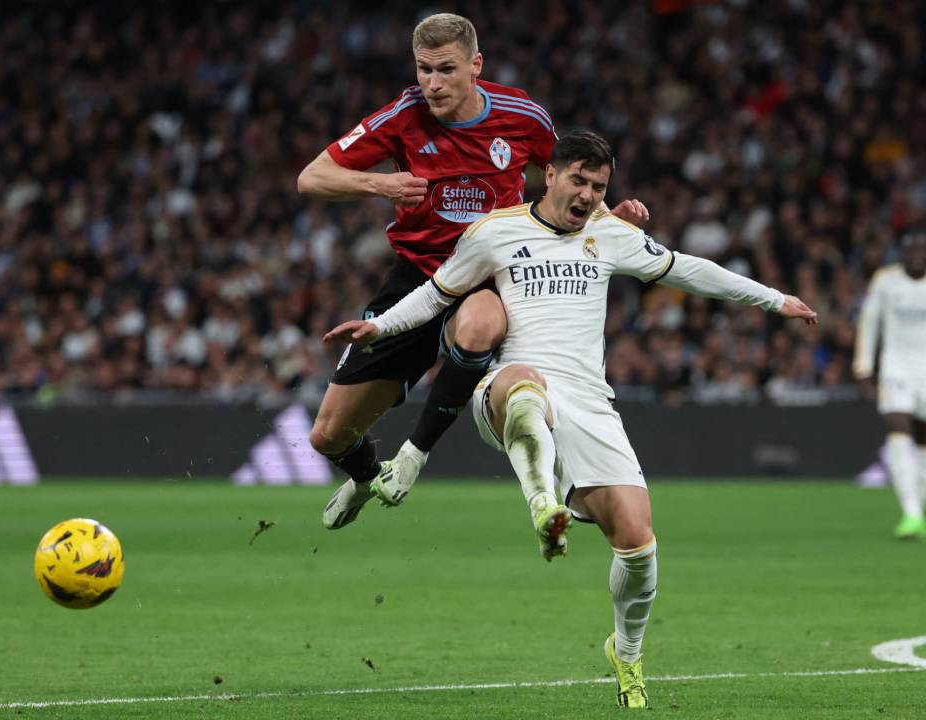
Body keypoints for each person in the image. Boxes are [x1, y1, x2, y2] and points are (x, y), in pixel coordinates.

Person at [324, 130, 818, 708]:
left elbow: (690, 270)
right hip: (508, 390)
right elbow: (436, 295)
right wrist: (379, 327)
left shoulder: (610, 235)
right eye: (578, 180)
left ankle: (627, 654)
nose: (586, 194)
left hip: (589, 403)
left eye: (599, 186)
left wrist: (773, 299)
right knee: (525, 387)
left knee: (639, 549)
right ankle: (542, 507)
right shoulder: (496, 231)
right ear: (549, 175)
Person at [297, 12, 649, 529]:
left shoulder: (522, 116)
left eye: (446, 70)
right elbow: (312, 177)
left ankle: (417, 457)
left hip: (490, 277)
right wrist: (383, 186)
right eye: (423, 70)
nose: (433, 84)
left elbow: (563, 182)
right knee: (327, 436)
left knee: (486, 328)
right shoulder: (402, 115)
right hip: (416, 277)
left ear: (475, 65)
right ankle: (367, 478)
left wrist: (604, 217)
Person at [853, 229, 926, 540]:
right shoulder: (885, 280)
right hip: (895, 367)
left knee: (922, 441)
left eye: (920, 250)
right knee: (897, 428)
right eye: (909, 250)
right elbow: (870, 322)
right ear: (902, 253)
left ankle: (917, 507)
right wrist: (864, 367)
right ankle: (910, 512)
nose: (915, 255)